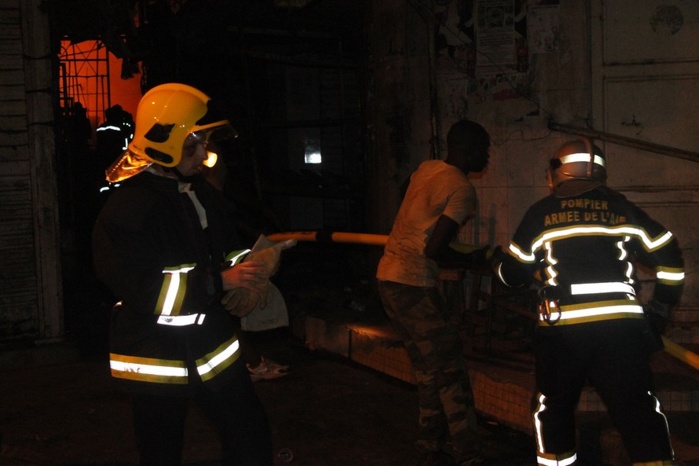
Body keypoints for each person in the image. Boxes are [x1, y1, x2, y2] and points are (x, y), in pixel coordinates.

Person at [92, 83, 274, 465]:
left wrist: (251, 265)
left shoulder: (196, 193)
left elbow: (224, 247)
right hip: (157, 359)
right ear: (163, 144)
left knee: (251, 438)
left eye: (204, 144)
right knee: (162, 453)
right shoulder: (128, 211)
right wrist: (220, 282)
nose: (204, 156)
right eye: (193, 146)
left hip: (212, 348)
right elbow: (145, 291)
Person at [492, 139, 685, 466]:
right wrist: (659, 314)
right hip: (621, 335)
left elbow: (513, 275)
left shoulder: (541, 213)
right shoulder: (622, 209)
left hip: (561, 335)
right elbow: (672, 261)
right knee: (638, 413)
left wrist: (497, 263)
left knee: (555, 412)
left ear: (556, 172)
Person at [376, 119, 491, 466]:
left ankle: (429, 441)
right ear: (466, 149)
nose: (486, 156)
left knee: (427, 367)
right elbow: (435, 249)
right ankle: (469, 453)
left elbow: (412, 215)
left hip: (388, 278)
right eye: (483, 149)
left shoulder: (427, 169)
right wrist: (475, 261)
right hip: (413, 283)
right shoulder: (462, 189)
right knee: (450, 370)